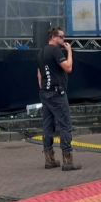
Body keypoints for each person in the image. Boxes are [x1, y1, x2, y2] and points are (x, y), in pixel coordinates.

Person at [37, 26, 81, 171]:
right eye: (61, 37)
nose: (64, 39)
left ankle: (49, 159)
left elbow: (39, 74)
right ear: (54, 37)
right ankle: (68, 161)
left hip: (45, 93)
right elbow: (68, 67)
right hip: (57, 93)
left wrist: (44, 89)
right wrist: (69, 51)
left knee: (48, 125)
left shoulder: (42, 52)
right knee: (65, 124)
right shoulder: (55, 51)